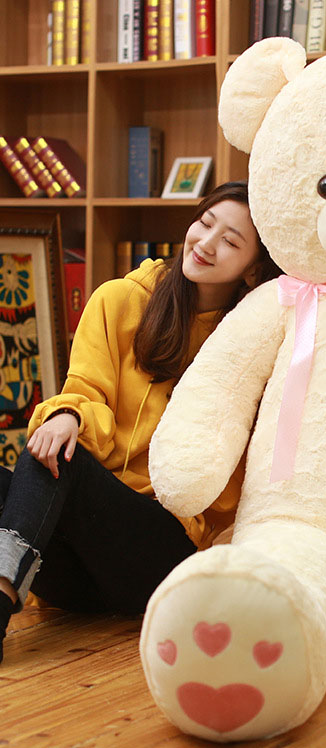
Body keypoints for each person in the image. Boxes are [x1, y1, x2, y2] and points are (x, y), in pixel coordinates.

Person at [0, 181, 281, 662]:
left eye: (230, 242)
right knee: (50, 445)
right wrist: (68, 414)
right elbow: (85, 390)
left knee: (63, 462)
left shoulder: (246, 343)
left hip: (158, 555)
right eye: (205, 223)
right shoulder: (118, 300)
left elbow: (230, 483)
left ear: (253, 269)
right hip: (81, 575)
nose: (206, 244)